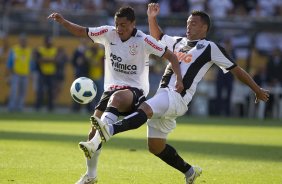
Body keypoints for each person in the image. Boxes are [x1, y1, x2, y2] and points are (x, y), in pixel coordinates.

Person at [88, 3, 270, 184]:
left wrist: (257, 90)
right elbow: (157, 36)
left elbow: (236, 70)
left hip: (177, 97)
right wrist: (152, 18)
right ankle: (190, 171)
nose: (189, 26)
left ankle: (109, 129)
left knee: (146, 108)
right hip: (164, 95)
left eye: (194, 23)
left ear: (205, 27)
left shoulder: (210, 47)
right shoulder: (178, 42)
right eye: (188, 22)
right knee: (155, 147)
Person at [48, 6, 183, 184]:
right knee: (92, 134)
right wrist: (63, 22)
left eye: (124, 25)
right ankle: (91, 175)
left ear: (133, 24)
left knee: (117, 98)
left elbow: (172, 57)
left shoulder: (144, 40)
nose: (120, 28)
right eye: (117, 24)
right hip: (110, 90)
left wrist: (179, 80)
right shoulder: (108, 33)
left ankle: (97, 140)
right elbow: (82, 31)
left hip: (135, 92)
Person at [6, 33, 33, 112]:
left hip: (25, 74)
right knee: (13, 92)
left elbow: (30, 63)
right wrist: (8, 74)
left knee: (23, 92)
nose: (24, 42)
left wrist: (30, 73)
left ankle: (20, 107)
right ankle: (11, 107)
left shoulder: (29, 50)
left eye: (25, 40)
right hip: (16, 74)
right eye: (22, 40)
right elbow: (9, 62)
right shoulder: (14, 49)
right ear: (19, 41)